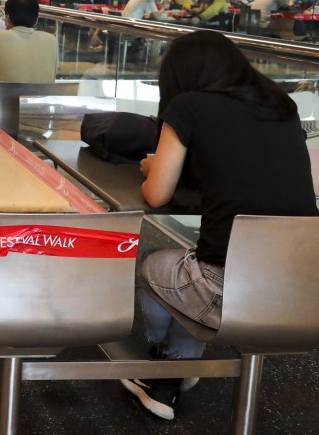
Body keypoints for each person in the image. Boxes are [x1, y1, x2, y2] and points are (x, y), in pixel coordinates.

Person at [122, 31, 317, 421]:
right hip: (306, 288)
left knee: (154, 263)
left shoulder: (188, 106)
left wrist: (151, 167)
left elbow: (156, 194)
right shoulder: (281, 104)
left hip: (231, 293)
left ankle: (166, 365)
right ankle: (174, 373)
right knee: (197, 261)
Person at [0, 0, 58, 88]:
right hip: (40, 102)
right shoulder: (51, 40)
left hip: (5, 102)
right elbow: (51, 77)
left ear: (7, 17)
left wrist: (0, 84)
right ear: (36, 19)